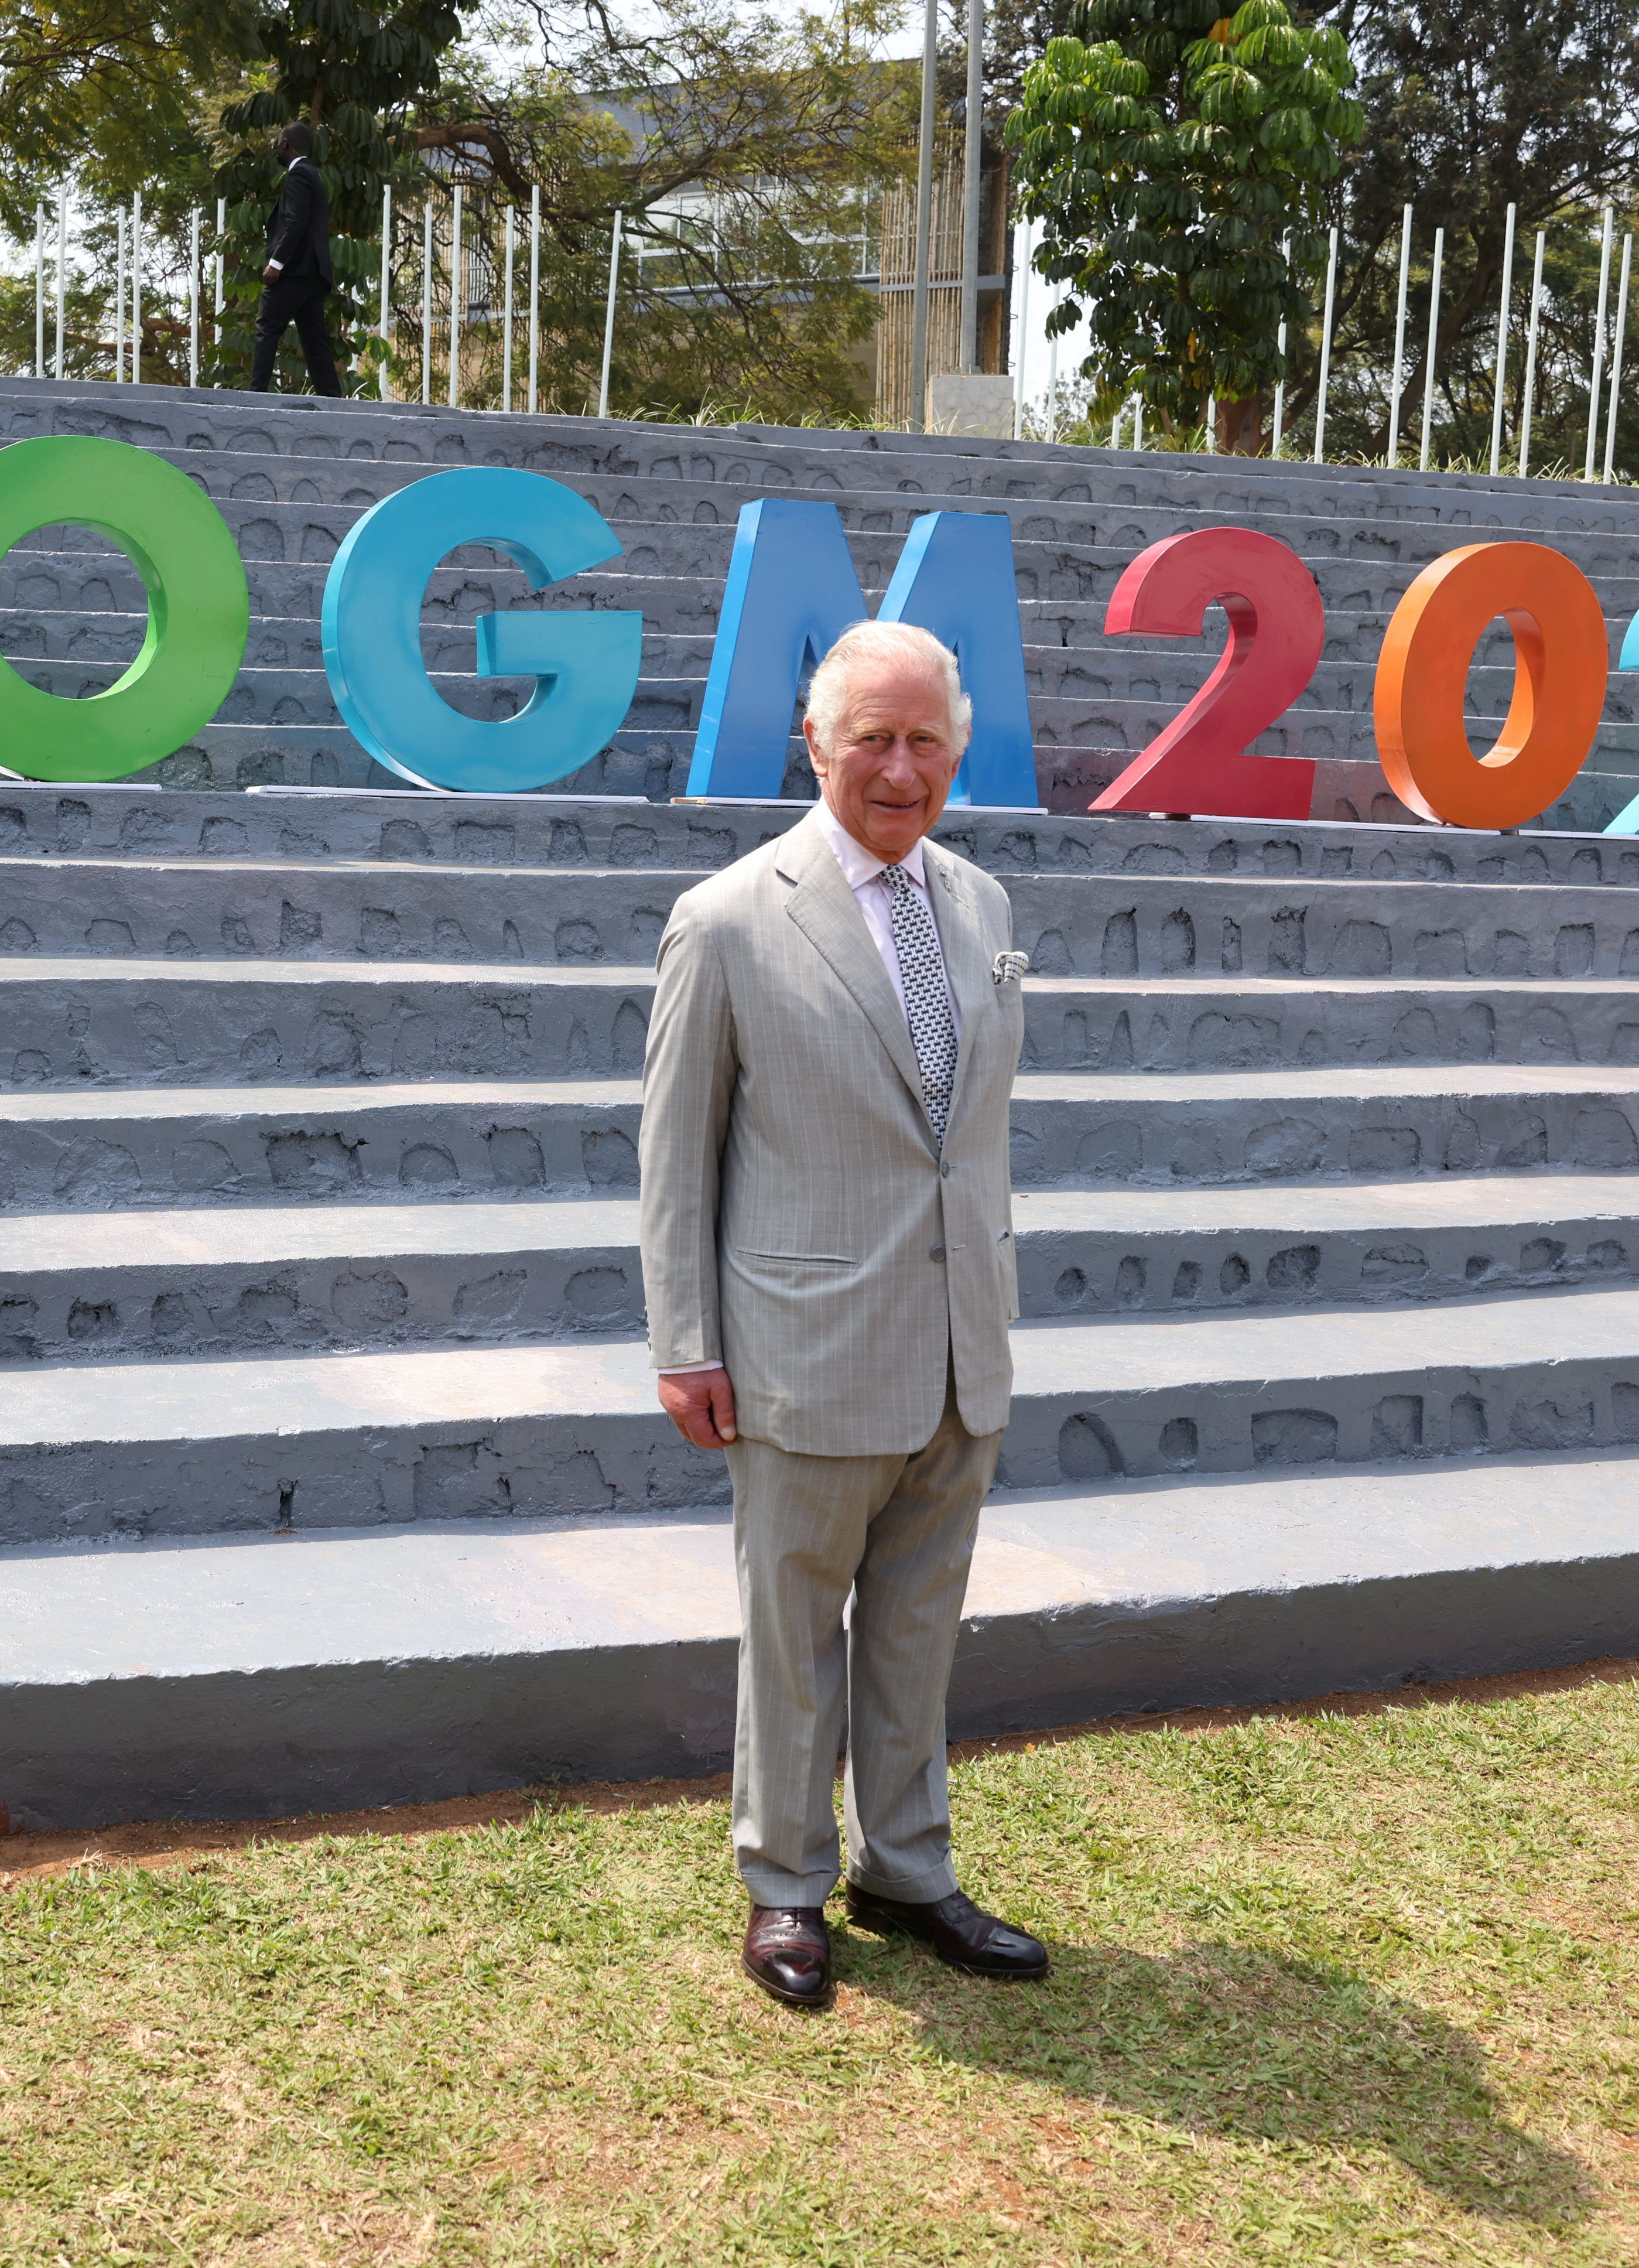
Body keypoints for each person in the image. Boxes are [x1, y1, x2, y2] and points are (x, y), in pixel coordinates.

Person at [638, 617, 1050, 2012]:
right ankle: (784, 1882)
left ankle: (907, 1868)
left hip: (958, 1341)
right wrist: (685, 1342)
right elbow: (675, 1154)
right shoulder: (727, 919)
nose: (900, 766)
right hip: (800, 1347)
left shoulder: (983, 906)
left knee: (918, 1628)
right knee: (793, 1631)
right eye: (872, 736)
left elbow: (965, 1134)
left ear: (958, 750)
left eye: (926, 738)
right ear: (813, 743)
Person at [249, 121, 343, 398]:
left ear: (286, 145)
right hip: (315, 276)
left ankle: (256, 395)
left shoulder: (298, 174)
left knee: (267, 327)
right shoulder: (314, 175)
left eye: (278, 145)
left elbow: (295, 223)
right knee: (315, 340)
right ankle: (332, 400)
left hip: (294, 272)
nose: (277, 151)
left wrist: (276, 263)